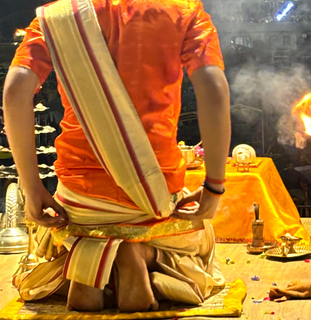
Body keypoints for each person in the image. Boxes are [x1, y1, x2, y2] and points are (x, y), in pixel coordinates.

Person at [3, 0, 230, 313]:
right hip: (155, 190)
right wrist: (215, 186)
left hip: (80, 199)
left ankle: (89, 260)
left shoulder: (58, 16)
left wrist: (32, 189)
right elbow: (213, 88)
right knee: (199, 240)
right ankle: (139, 255)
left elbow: (15, 89)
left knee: (54, 242)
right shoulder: (183, 10)